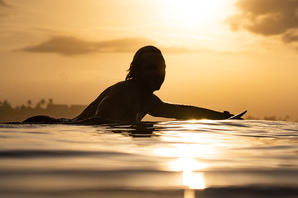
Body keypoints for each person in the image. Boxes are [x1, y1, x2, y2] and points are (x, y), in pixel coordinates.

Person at [24, 46, 234, 125]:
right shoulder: (124, 91)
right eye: (151, 68)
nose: (158, 73)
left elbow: (180, 111)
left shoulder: (148, 100)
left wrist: (222, 117)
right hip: (50, 127)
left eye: (161, 68)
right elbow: (98, 118)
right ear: (135, 70)